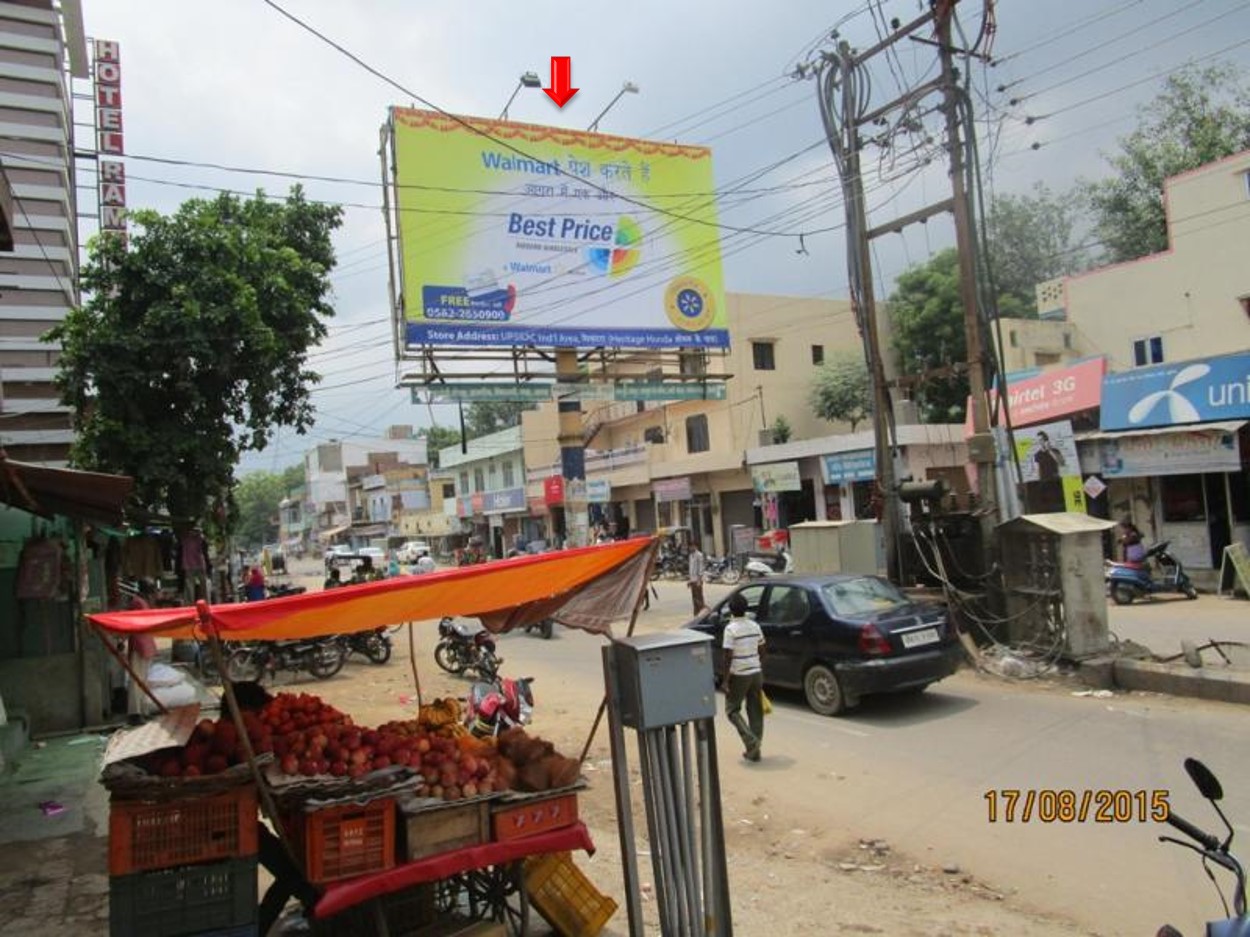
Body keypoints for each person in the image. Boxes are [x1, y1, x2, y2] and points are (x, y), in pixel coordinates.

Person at [721, 593, 765, 762]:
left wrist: (725, 681)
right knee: (755, 711)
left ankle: (751, 742)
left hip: (739, 674)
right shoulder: (754, 626)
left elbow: (727, 656)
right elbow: (763, 650)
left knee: (732, 710)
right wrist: (757, 665)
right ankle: (755, 749)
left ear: (731, 611)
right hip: (756, 672)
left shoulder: (730, 629)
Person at [125, 580, 158, 720]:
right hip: (139, 645)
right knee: (137, 680)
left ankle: (143, 710)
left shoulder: (141, 602)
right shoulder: (138, 603)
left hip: (145, 644)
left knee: (143, 680)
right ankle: (135, 712)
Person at [687, 542, 707, 616]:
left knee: (699, 597)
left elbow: (701, 568)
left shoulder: (699, 555)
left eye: (692, 547)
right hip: (692, 579)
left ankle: (702, 612)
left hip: (697, 579)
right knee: (694, 598)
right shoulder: (690, 556)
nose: (690, 548)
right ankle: (696, 613)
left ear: (695, 546)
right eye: (690, 547)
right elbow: (691, 568)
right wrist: (689, 580)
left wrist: (699, 579)